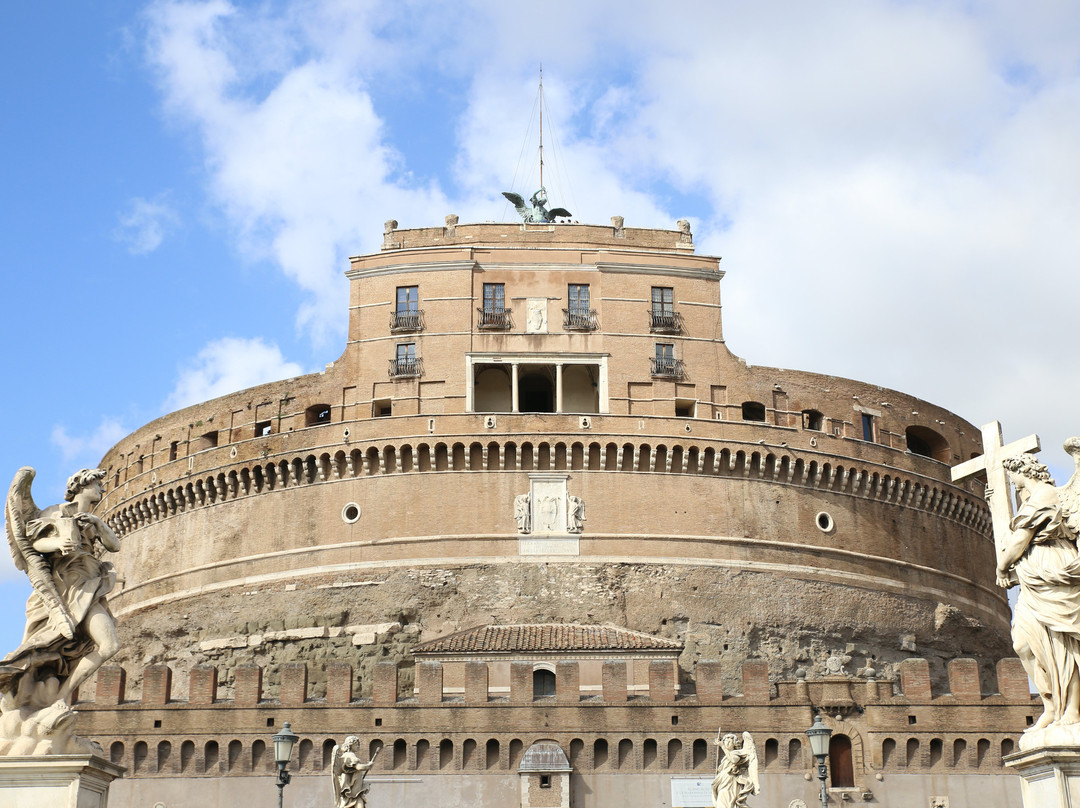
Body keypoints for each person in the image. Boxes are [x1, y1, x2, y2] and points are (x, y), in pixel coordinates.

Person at [1, 467, 121, 707]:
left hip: (89, 586)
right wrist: (58, 542)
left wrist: (97, 522)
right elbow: (34, 542)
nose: (102, 488)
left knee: (109, 646)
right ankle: (31, 697)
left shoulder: (91, 520)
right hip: (64, 586)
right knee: (39, 646)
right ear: (81, 486)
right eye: (97, 484)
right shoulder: (56, 512)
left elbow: (114, 546)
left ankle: (59, 697)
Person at [998, 453, 1080, 730]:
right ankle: (1051, 704)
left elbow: (1020, 540)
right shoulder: (1029, 500)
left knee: (1062, 644)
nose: (1012, 482)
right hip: (1032, 577)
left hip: (1053, 569)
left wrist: (1001, 568)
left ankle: (1072, 707)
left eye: (1013, 477)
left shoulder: (1046, 495)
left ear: (1024, 471)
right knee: (1023, 644)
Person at [711, 731, 759, 808]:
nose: (726, 743)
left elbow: (734, 760)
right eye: (725, 741)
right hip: (723, 781)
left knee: (727, 802)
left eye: (729, 741)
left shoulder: (738, 753)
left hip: (731, 783)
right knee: (721, 802)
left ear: (734, 743)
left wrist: (722, 747)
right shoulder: (725, 757)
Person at [332, 736, 379, 808]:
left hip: (355, 790)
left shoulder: (347, 755)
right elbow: (358, 767)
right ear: (350, 745)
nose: (358, 746)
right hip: (351, 791)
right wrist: (368, 766)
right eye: (356, 744)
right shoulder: (349, 755)